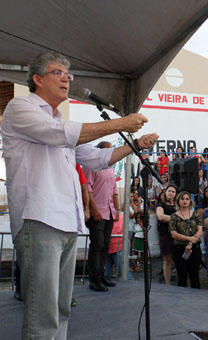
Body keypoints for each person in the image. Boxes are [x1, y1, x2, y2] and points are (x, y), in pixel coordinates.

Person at [1, 52, 157, 339]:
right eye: (58, 73)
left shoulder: (60, 121)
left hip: (68, 224)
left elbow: (96, 159)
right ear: (37, 79)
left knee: (61, 310)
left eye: (68, 75)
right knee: (42, 314)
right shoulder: (19, 107)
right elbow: (59, 134)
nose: (66, 79)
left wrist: (135, 144)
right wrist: (120, 124)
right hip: (39, 220)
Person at [83, 141, 120, 291]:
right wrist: (94, 209)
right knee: (97, 245)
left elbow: (115, 191)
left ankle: (102, 275)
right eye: (109, 150)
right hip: (97, 213)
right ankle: (94, 279)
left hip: (109, 212)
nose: (112, 153)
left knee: (105, 245)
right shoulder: (91, 166)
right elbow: (87, 188)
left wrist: (116, 210)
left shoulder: (110, 169)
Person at [169, 191, 203, 288]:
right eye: (182, 199)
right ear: (178, 201)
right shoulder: (174, 216)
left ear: (190, 201)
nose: (185, 201)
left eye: (187, 199)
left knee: (195, 276)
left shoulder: (196, 214)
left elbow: (200, 230)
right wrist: (189, 239)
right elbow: (174, 234)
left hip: (194, 248)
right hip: (179, 249)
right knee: (182, 277)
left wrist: (190, 243)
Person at [156, 184, 177, 284]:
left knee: (179, 259)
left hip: (178, 235)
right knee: (167, 260)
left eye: (173, 191)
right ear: (165, 192)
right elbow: (160, 217)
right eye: (169, 191)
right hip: (166, 235)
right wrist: (177, 219)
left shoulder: (179, 205)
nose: (171, 193)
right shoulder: (161, 204)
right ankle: (167, 284)